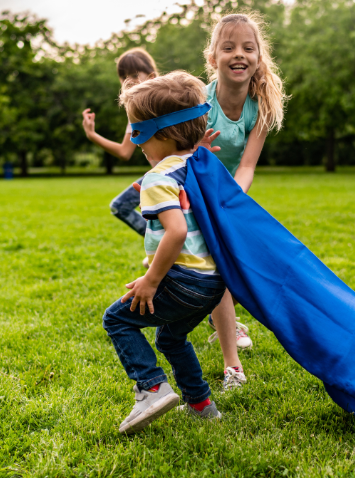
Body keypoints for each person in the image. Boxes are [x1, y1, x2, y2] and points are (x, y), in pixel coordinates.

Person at [102, 71, 227, 434]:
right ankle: (202, 405)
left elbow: (176, 231)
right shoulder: (197, 162)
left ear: (168, 133)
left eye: (138, 133)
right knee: (171, 338)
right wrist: (195, 146)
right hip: (212, 284)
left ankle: (152, 388)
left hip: (183, 280)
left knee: (118, 320)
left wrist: (151, 281)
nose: (136, 143)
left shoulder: (157, 178)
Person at [200, 12, 289, 389]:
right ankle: (231, 362)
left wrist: (232, 200)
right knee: (214, 267)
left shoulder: (261, 106)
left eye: (248, 48)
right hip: (191, 186)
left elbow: (248, 164)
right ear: (213, 58)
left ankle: (223, 320)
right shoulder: (200, 101)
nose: (239, 54)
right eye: (229, 47)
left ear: (258, 57)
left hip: (229, 191)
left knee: (232, 263)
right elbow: (183, 156)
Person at [82, 48, 158, 263]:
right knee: (121, 206)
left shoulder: (164, 99)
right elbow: (125, 152)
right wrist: (92, 135)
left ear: (151, 76)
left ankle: (164, 248)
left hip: (178, 174)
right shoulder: (134, 109)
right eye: (124, 77)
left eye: (135, 75)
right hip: (158, 176)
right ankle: (160, 244)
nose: (130, 81)